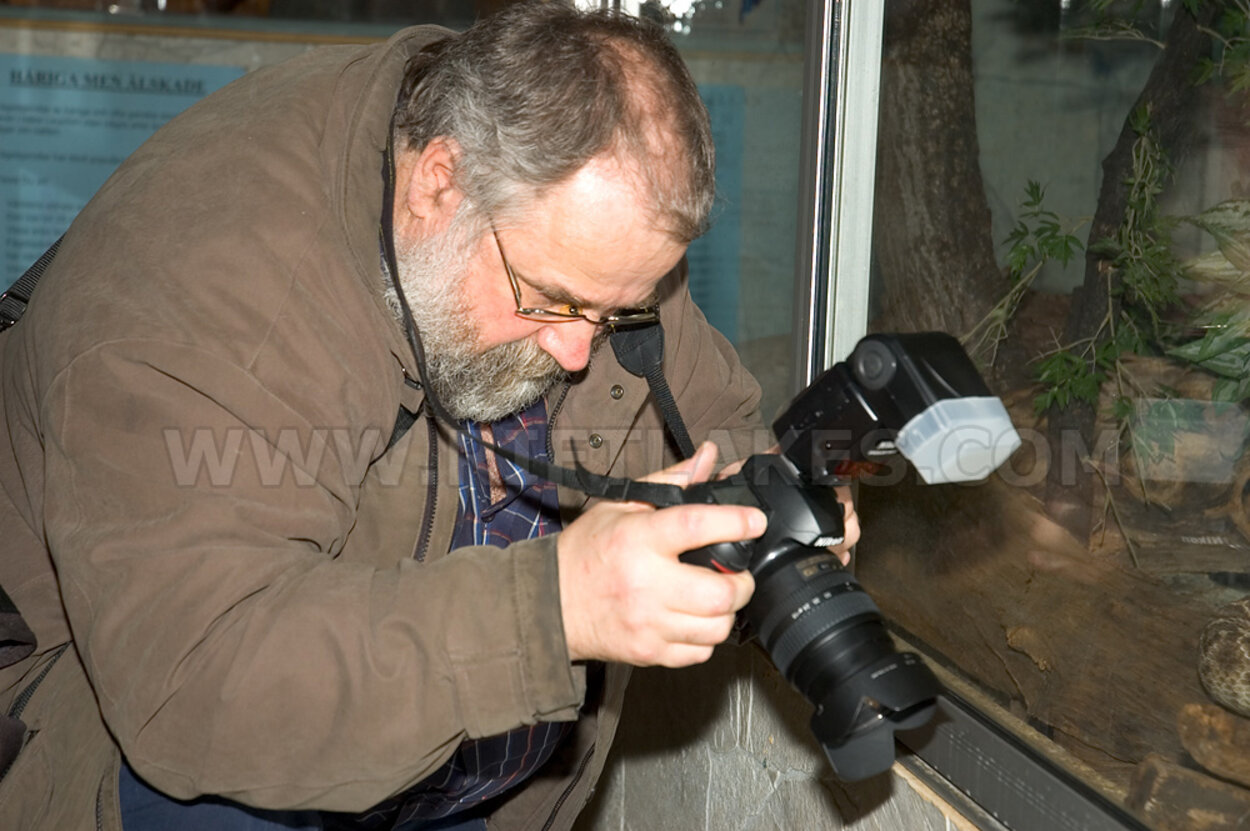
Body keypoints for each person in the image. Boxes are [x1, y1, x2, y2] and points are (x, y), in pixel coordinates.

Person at [0, 4, 858, 830]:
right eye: (552, 302)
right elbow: (197, 690)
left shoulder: (550, 203)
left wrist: (764, 506)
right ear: (437, 183)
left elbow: (709, 413)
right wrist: (554, 609)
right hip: (161, 762)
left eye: (614, 312)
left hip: (444, 771)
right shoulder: (209, 289)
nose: (575, 352)